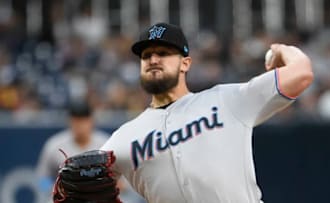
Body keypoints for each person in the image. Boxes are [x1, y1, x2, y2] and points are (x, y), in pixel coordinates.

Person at [56, 22, 314, 203]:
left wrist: (282, 49)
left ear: (185, 63)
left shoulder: (228, 100)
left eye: (164, 53)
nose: (153, 59)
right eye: (146, 55)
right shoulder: (123, 139)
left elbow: (301, 73)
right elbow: (86, 185)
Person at [36, 101, 110, 200]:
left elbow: (123, 182)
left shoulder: (107, 144)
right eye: (75, 120)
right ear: (69, 121)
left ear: (91, 121)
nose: (79, 125)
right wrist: (55, 190)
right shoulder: (54, 145)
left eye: (83, 120)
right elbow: (42, 179)